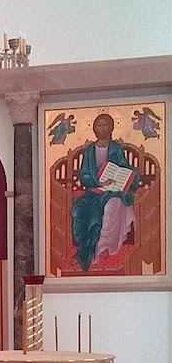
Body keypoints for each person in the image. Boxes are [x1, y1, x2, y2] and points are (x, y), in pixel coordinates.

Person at [70, 113, 140, 271]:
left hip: (113, 191)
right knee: (78, 210)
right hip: (94, 190)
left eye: (105, 125)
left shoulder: (116, 148)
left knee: (112, 206)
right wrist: (99, 182)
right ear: (94, 128)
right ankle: (84, 252)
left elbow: (123, 166)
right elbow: (84, 174)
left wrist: (126, 174)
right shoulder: (90, 150)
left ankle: (104, 247)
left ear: (111, 127)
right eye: (99, 125)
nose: (102, 128)